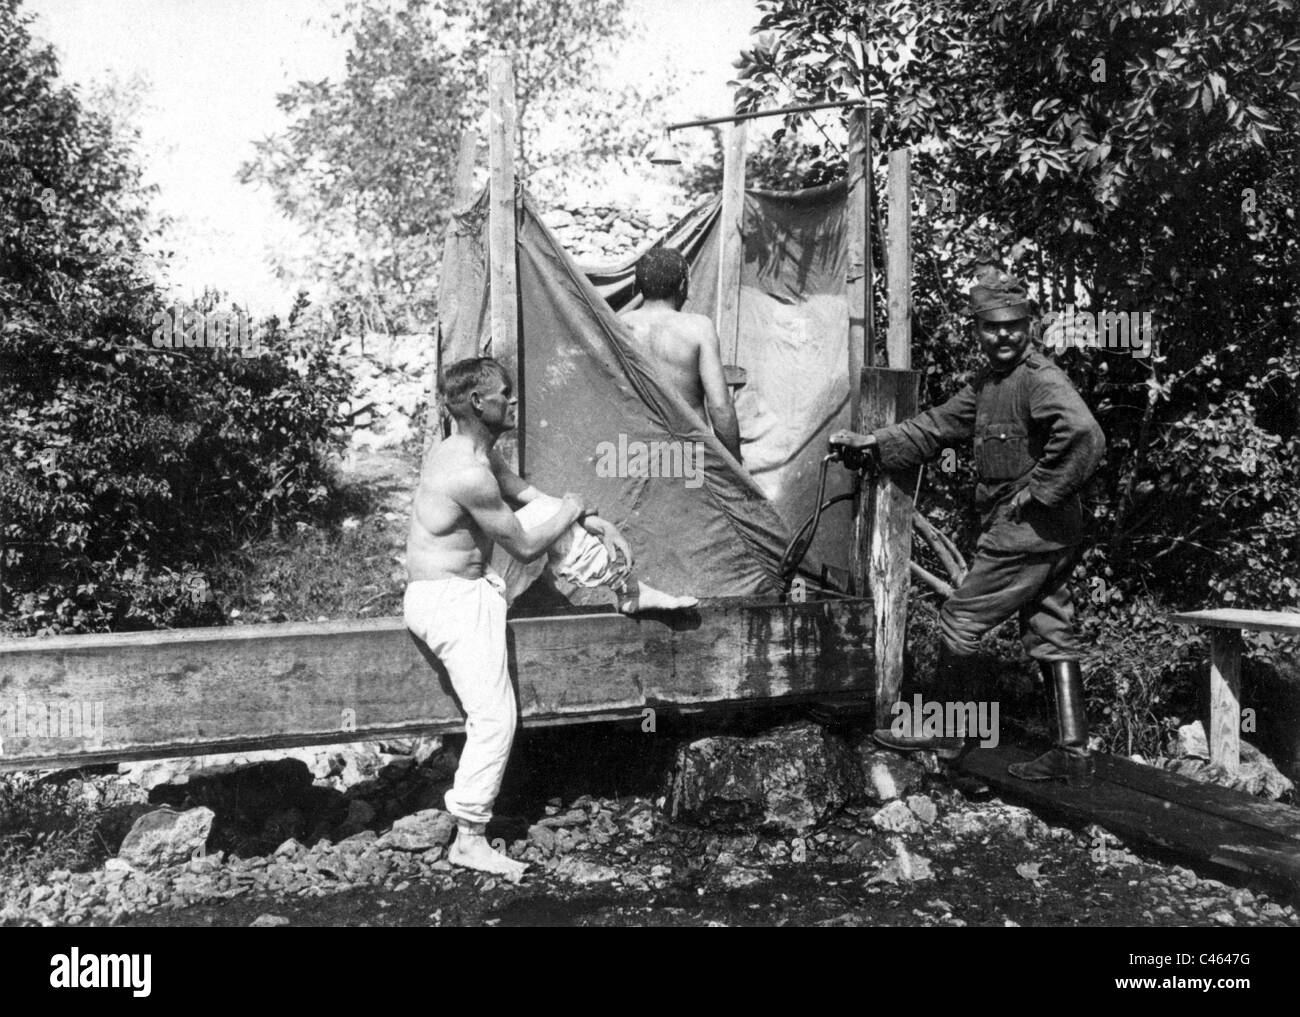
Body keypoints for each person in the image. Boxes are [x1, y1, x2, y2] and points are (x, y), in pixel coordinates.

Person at [405, 357, 697, 878]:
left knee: (548, 514)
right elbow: (523, 546)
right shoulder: (466, 471)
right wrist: (574, 505)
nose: (512, 402)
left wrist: (587, 516)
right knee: (495, 719)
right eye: (504, 394)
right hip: (449, 601)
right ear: (478, 402)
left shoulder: (476, 453)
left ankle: (627, 589)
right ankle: (468, 838)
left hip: (470, 588)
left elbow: (530, 499)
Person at [830, 269, 1106, 787]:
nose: (1004, 336)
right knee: (1051, 626)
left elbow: (1085, 434)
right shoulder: (986, 386)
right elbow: (935, 426)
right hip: (1049, 534)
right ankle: (1072, 753)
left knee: (960, 621)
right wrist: (874, 444)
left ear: (1031, 326)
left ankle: (951, 733)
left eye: (1014, 326)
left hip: (1027, 531)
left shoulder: (1038, 378)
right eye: (992, 328)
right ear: (977, 331)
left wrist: (1041, 489)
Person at [622, 247, 742, 462]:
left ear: (638, 285)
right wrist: (735, 466)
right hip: (687, 455)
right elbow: (720, 408)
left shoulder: (619, 326)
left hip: (633, 453)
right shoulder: (699, 328)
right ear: (682, 285)